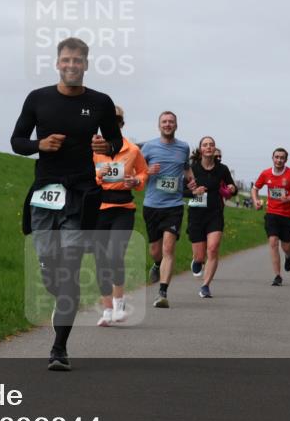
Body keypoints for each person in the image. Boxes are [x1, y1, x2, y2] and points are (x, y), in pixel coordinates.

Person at [11, 37, 123, 371]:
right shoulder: (38, 99)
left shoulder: (101, 102)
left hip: (82, 194)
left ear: (86, 65)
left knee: (70, 268)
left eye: (78, 61)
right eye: (66, 60)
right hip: (46, 193)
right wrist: (39, 144)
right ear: (57, 63)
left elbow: (115, 142)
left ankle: (59, 349)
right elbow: (17, 141)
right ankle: (52, 279)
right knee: (49, 264)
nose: (72, 65)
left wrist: (106, 144)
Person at [92, 105, 148, 327]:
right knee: (100, 260)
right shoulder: (93, 151)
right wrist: (98, 175)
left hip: (123, 207)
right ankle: (106, 310)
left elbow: (143, 172)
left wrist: (137, 181)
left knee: (115, 254)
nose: (112, 124)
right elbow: (84, 176)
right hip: (99, 208)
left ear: (121, 124)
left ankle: (119, 303)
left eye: (116, 120)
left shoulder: (133, 150)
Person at [141, 111, 195, 308]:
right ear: (159, 125)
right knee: (156, 251)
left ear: (176, 125)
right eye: (164, 121)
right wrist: (147, 171)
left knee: (168, 248)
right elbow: (135, 170)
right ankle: (157, 264)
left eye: (171, 121)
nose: (168, 124)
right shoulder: (148, 146)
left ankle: (163, 292)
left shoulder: (183, 147)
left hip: (174, 206)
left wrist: (191, 179)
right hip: (152, 205)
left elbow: (186, 168)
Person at [186, 136, 236, 298]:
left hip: (215, 213)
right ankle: (197, 261)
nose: (208, 147)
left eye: (211, 145)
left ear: (214, 149)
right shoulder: (191, 168)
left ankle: (205, 286)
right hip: (196, 215)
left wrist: (232, 188)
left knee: (213, 248)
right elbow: (180, 190)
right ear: (201, 149)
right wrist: (193, 192)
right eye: (205, 145)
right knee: (200, 256)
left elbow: (231, 187)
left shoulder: (222, 169)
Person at [252, 148, 290, 286]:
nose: (279, 160)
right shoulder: (265, 173)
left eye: (282, 158)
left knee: (286, 246)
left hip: (288, 215)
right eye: (276, 157)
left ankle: (289, 256)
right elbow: (255, 188)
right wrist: (256, 201)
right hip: (272, 213)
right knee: (273, 242)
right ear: (272, 158)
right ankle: (277, 275)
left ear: (286, 160)